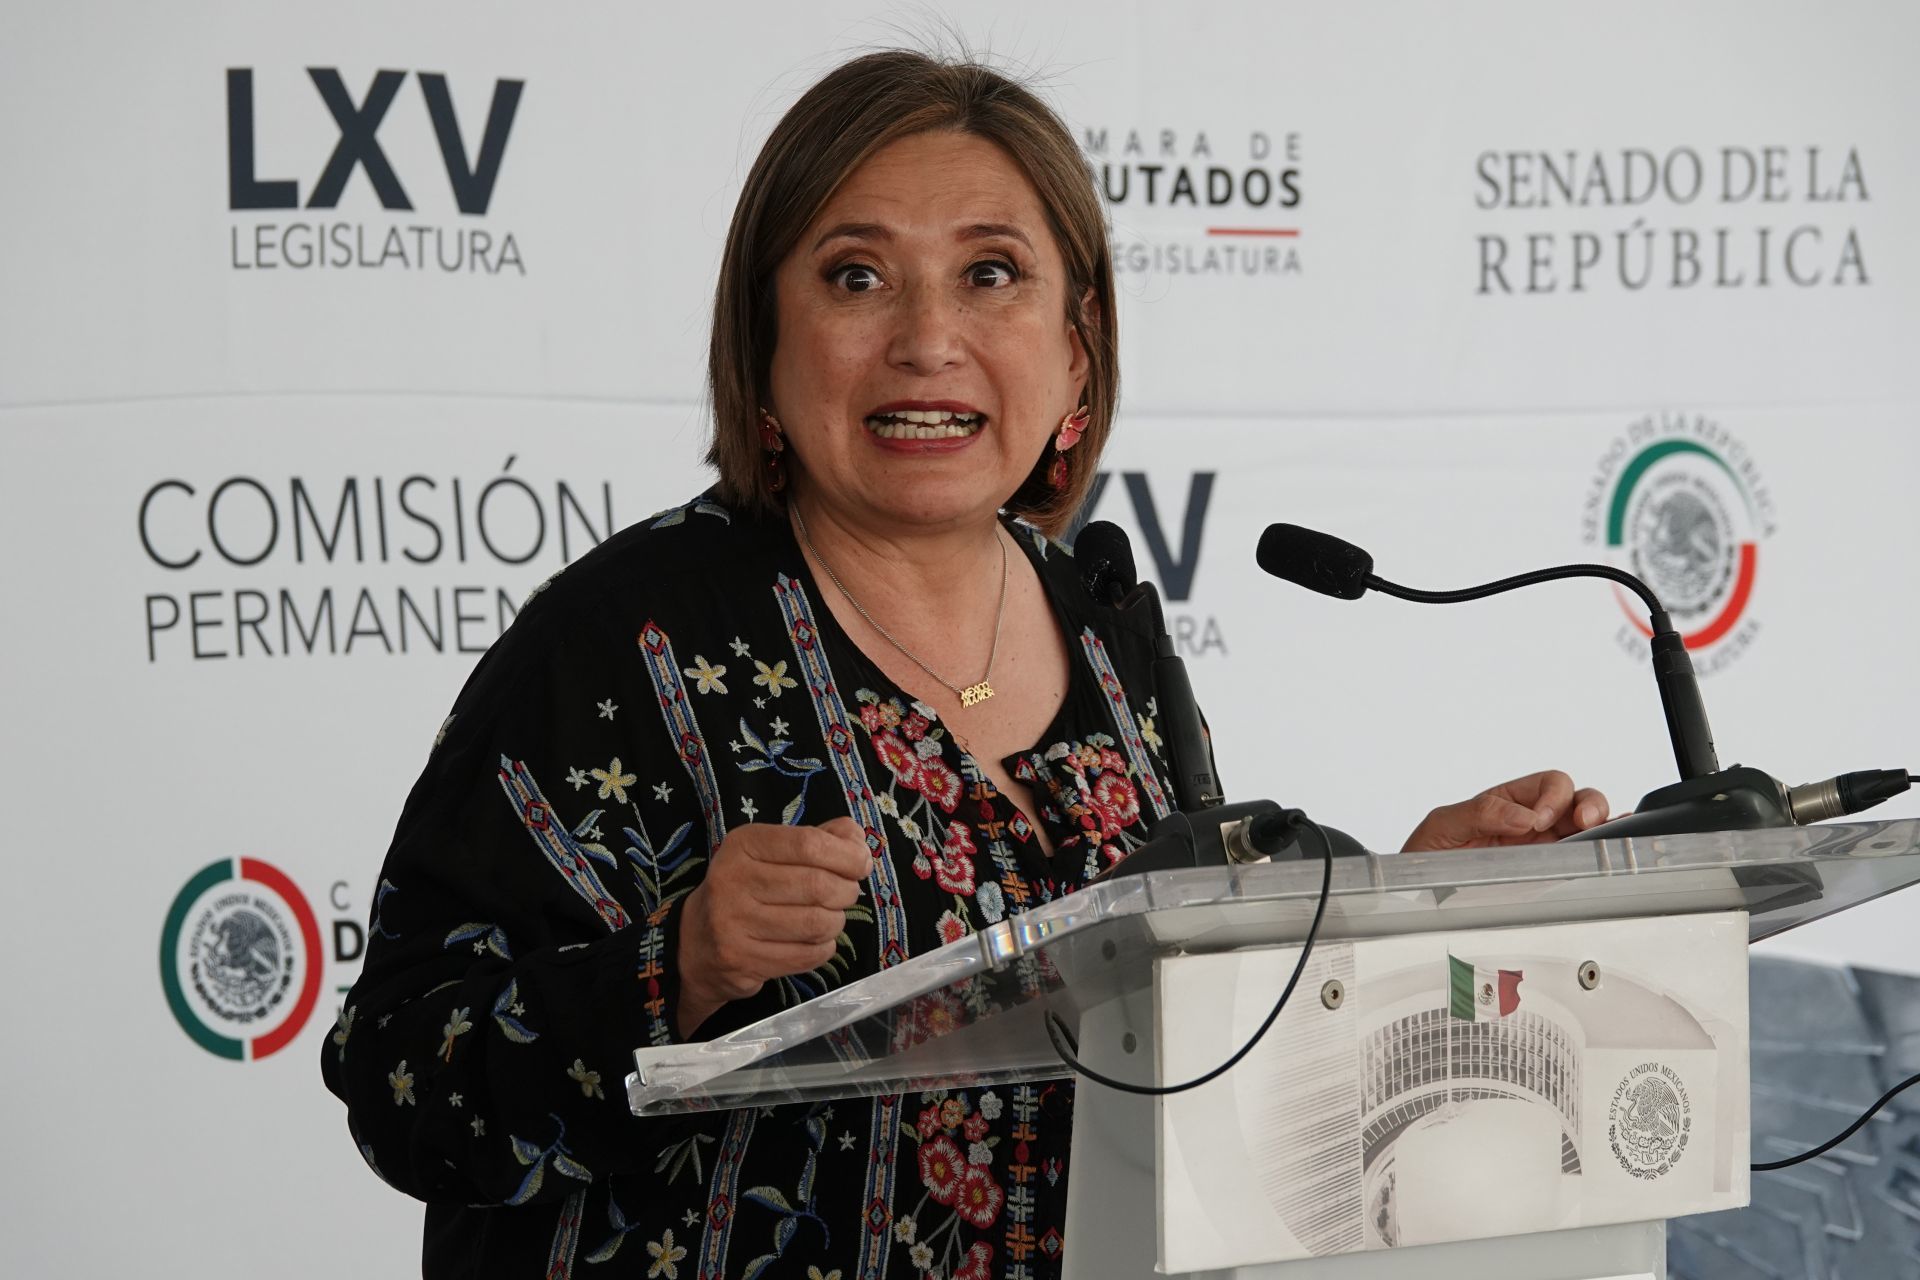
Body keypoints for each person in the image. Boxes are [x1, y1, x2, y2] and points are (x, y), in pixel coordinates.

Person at [322, 49, 1609, 1280]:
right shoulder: (625, 646)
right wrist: (680, 966)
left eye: (992, 274)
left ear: (1076, 352)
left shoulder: (1108, 633)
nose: (928, 339)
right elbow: (399, 1083)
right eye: (856, 278)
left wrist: (1392, 914)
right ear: (764, 339)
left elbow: (1201, 1044)